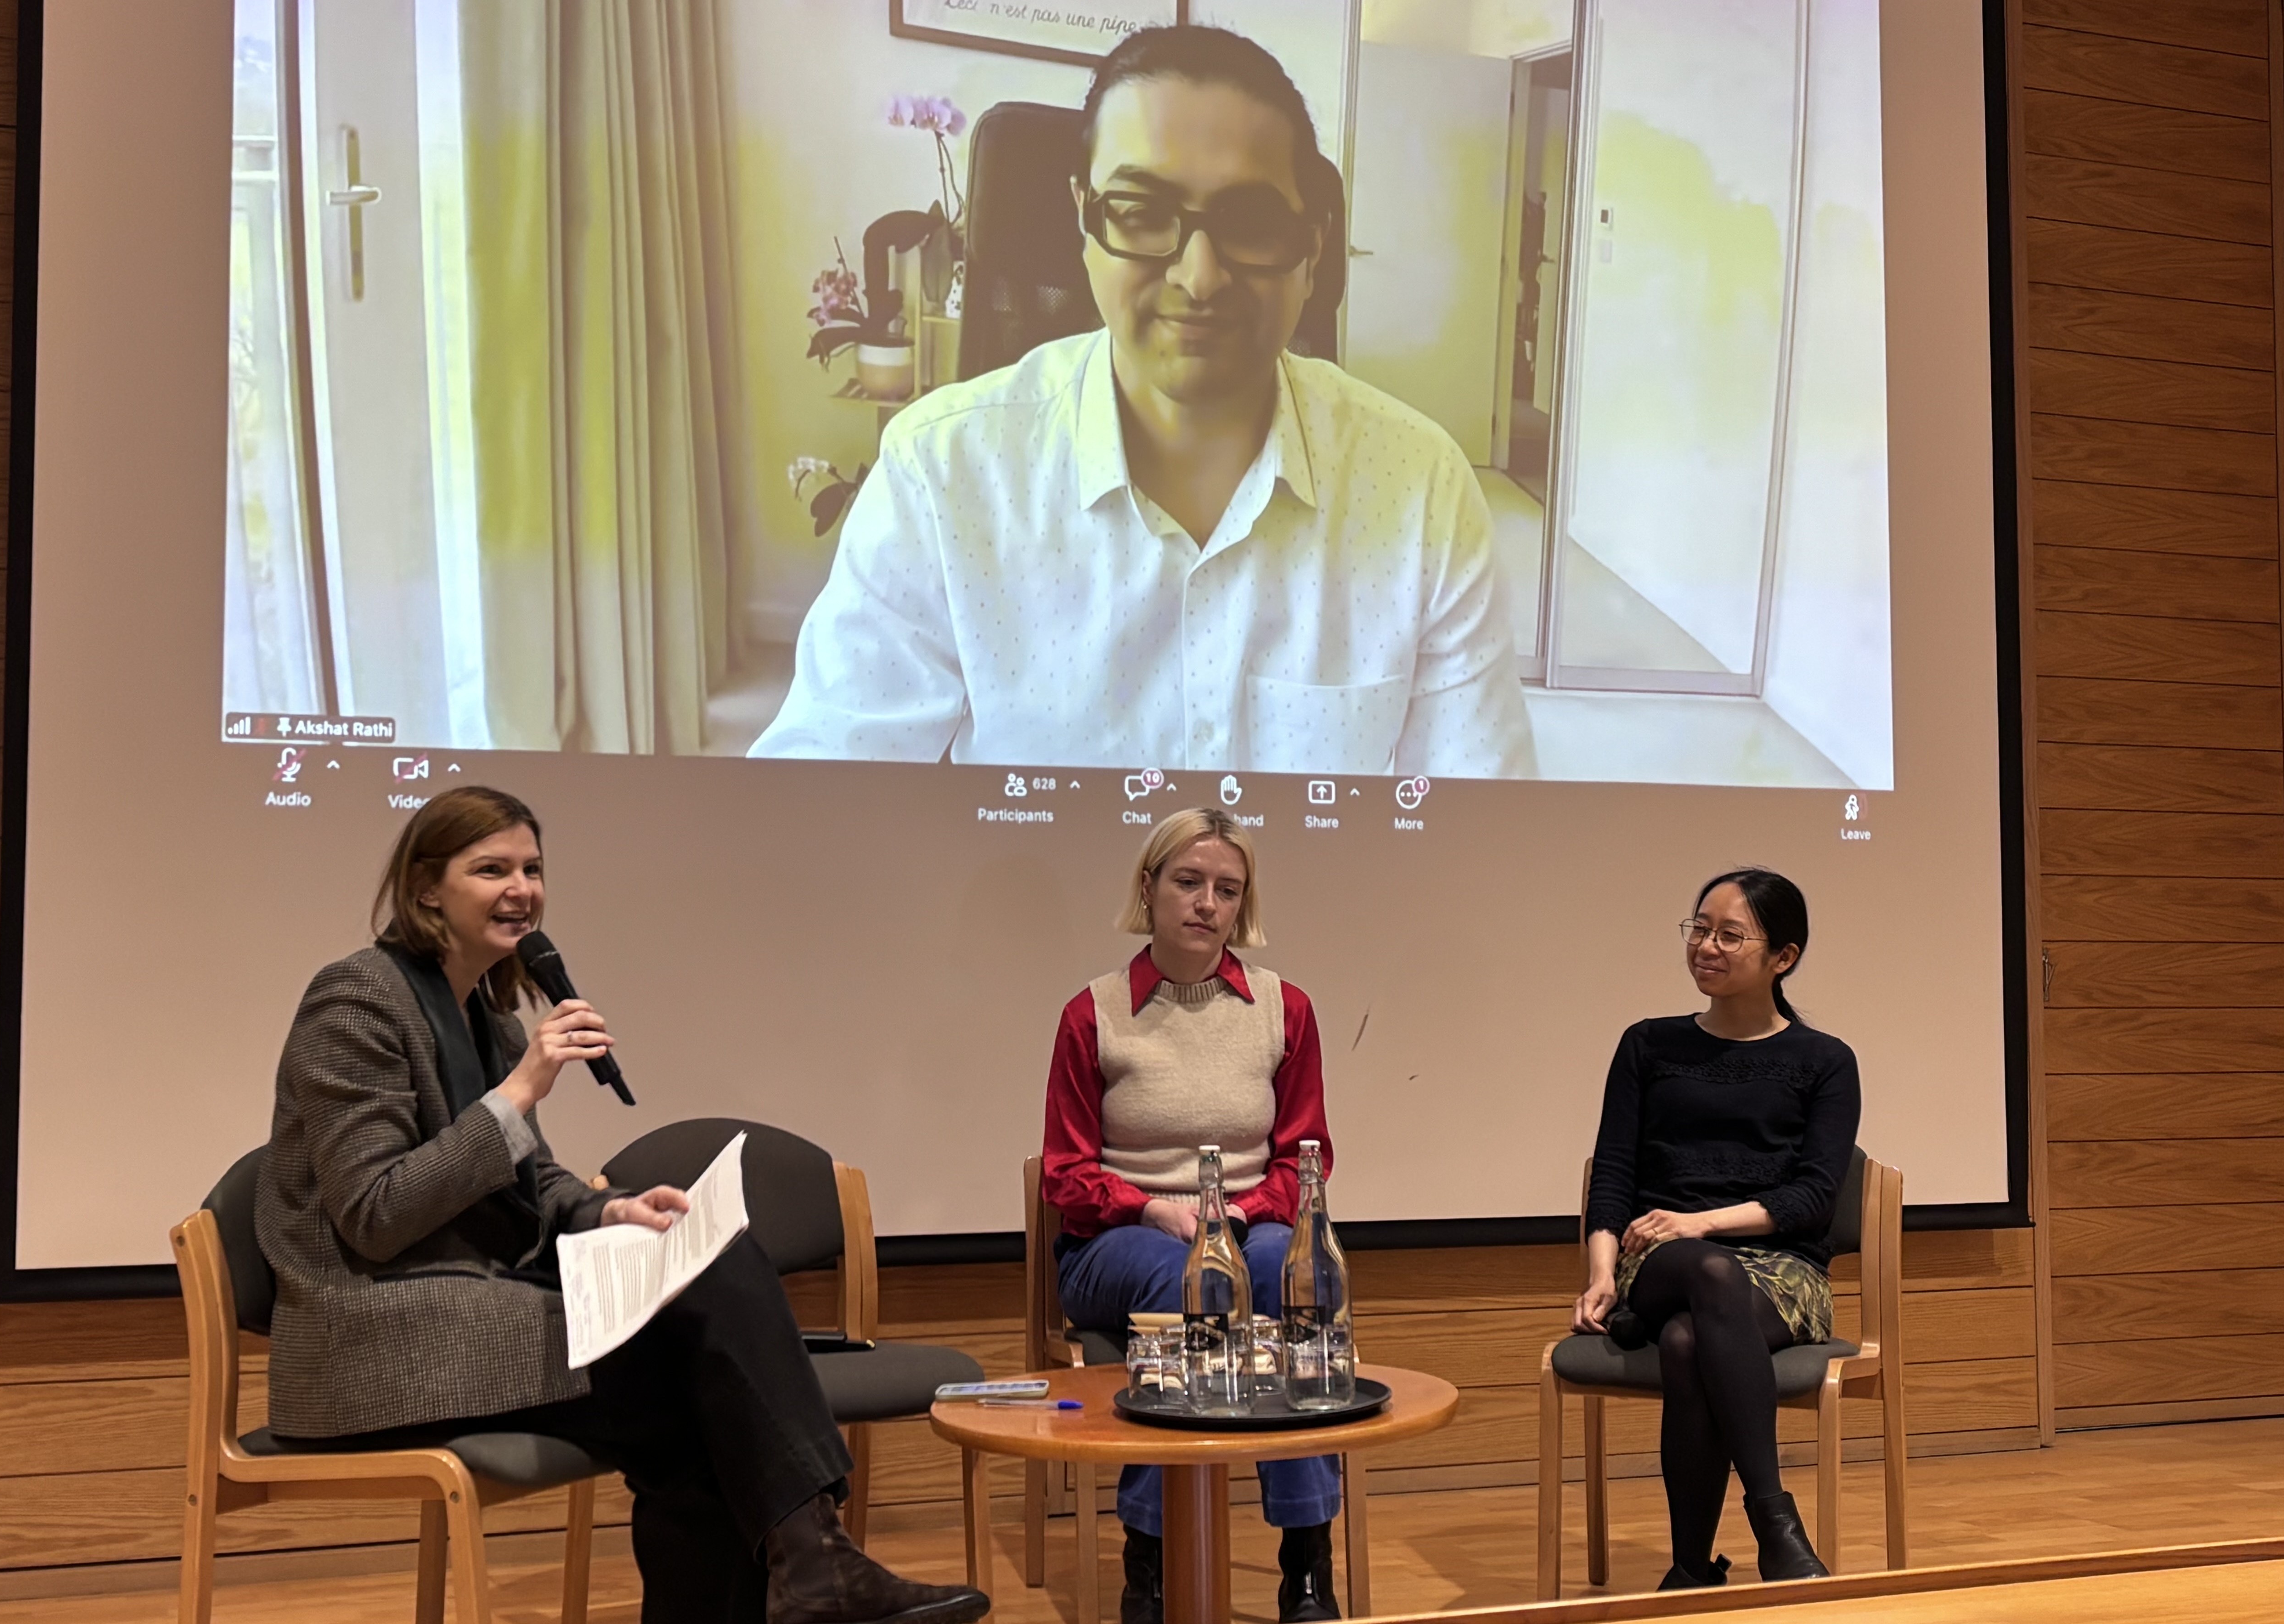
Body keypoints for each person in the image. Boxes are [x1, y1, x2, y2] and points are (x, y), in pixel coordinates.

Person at [257, 786, 988, 1624]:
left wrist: (609, 1213)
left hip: (469, 1307)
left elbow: (529, 1183)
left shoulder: (483, 1017)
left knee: (699, 1354)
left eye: (532, 869)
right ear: (427, 889)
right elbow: (375, 1212)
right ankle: (819, 1563)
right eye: (490, 869)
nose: (521, 889)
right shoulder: (355, 1000)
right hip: (378, 1338)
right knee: (701, 1379)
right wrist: (522, 1090)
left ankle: (814, 1565)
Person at [751, 25, 1534, 778]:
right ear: (1084, 221)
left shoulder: (1420, 488)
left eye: (1252, 222)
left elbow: (1478, 843)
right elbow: (821, 808)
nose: (1199, 276)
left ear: (1313, 246)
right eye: (1140, 212)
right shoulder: (944, 475)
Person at [1041, 808, 1343, 1623]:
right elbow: (1066, 1176)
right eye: (1188, 882)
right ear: (1149, 889)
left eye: (1227, 889)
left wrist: (1237, 1216)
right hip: (1119, 1243)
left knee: (1291, 1277)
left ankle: (1306, 1563)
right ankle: (1154, 1560)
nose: (1207, 903)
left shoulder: (1287, 1009)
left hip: (1253, 1227)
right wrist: (1155, 1209)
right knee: (1193, 1282)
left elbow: (1304, 1156)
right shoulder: (1092, 1013)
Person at [1573, 868, 1859, 1590]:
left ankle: (1692, 1570)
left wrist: (1701, 1222)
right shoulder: (1649, 1046)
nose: (1707, 945)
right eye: (1699, 928)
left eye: (1730, 935)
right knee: (1704, 1269)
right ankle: (1774, 1520)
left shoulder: (1825, 1061)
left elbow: (1814, 1197)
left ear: (1783, 958)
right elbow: (1613, 1174)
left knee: (1685, 1337)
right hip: (1659, 1259)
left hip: (1784, 1274)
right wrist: (1602, 1276)